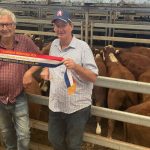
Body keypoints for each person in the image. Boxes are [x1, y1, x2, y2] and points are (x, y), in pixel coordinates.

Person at [40, 9, 98, 150]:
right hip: (56, 105)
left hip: (76, 107)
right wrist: (46, 68)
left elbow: (93, 76)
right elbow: (51, 61)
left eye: (63, 25)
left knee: (74, 145)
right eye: (57, 26)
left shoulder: (83, 47)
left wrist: (76, 67)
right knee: (54, 140)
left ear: (71, 26)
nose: (60, 29)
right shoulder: (54, 44)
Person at [0, 8, 41, 150]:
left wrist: (29, 72)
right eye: (1, 25)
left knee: (24, 135)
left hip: (19, 96)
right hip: (0, 99)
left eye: (8, 24)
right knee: (6, 133)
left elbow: (40, 58)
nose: (5, 28)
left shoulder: (25, 41)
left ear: (14, 26)